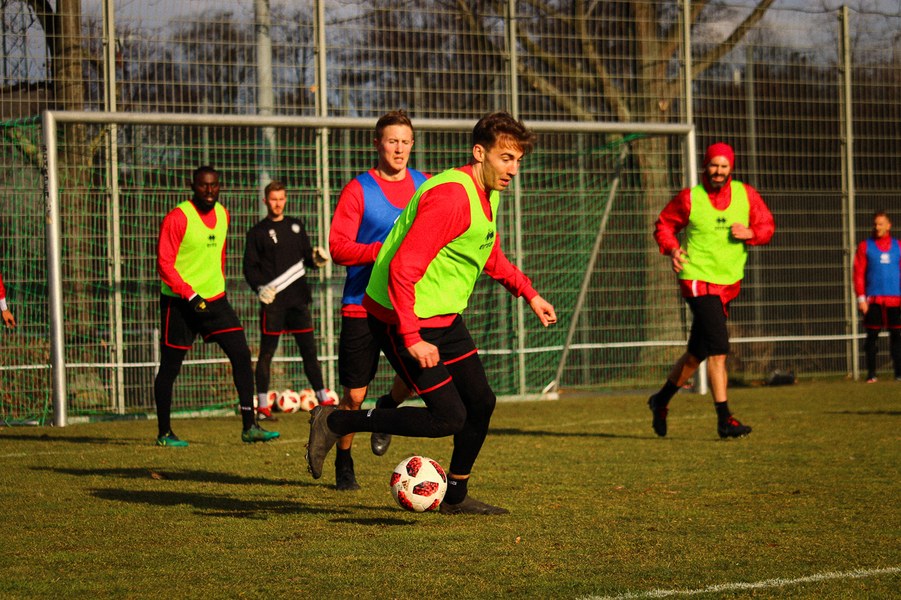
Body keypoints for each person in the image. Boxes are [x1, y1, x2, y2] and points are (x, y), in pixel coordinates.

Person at [307, 111, 557, 514]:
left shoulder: (486, 191)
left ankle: (455, 497)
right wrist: (411, 337)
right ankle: (336, 422)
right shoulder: (451, 197)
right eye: (506, 158)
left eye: (518, 160)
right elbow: (403, 268)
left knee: (482, 403)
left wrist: (528, 292)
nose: (513, 169)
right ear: (480, 153)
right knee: (449, 417)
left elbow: (486, 251)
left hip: (442, 317)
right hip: (400, 317)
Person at [328, 110, 429, 490]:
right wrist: (382, 252)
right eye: (391, 141)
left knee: (417, 377)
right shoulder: (358, 190)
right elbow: (338, 247)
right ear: (377, 144)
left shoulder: (425, 185)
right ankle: (344, 461)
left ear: (412, 145)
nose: (398, 149)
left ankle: (387, 408)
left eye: (405, 141)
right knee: (354, 396)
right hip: (361, 303)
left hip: (407, 304)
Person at [649, 142, 775, 439]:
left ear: (731, 168)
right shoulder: (690, 198)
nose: (718, 171)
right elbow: (664, 225)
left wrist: (751, 232)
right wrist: (673, 249)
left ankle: (660, 400)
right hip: (697, 279)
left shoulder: (746, 195)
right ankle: (724, 419)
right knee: (719, 349)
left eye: (723, 166)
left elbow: (767, 226)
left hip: (727, 283)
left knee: (697, 354)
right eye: (713, 165)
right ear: (705, 166)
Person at [154, 165, 280, 447]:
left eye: (214, 185)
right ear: (192, 186)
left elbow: (218, 255)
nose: (209, 190)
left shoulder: (223, 213)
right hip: (180, 302)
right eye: (203, 185)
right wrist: (189, 294)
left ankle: (250, 426)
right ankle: (164, 433)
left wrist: (216, 287)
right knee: (170, 367)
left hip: (215, 301)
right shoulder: (178, 217)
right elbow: (164, 264)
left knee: (241, 353)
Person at [243, 180, 333, 421]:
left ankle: (323, 400)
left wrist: (316, 259)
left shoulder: (296, 225)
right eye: (273, 199)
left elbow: (306, 258)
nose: (278, 204)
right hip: (273, 303)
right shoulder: (257, 232)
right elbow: (249, 268)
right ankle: (263, 406)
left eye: (281, 199)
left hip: (298, 301)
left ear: (285, 199)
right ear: (265, 201)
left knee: (309, 352)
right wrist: (260, 288)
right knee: (266, 353)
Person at [852, 210, 901, 383]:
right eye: (875, 224)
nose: (877, 227)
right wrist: (861, 298)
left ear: (888, 225)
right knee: (872, 336)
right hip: (873, 300)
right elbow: (858, 273)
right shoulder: (865, 246)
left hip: (895, 300)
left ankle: (898, 373)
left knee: (897, 336)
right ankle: (871, 374)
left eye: (880, 224)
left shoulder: (898, 246)